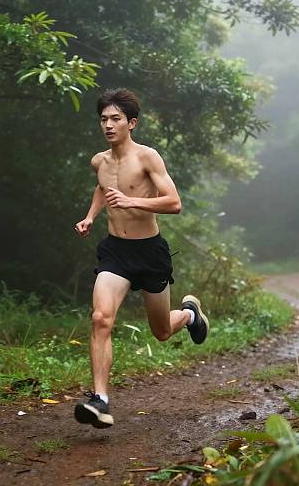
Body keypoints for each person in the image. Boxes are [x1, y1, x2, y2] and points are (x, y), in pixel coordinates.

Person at [73, 88, 209, 429]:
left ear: (131, 123)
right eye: (103, 119)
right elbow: (102, 188)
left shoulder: (148, 157)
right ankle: (100, 400)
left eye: (116, 119)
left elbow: (173, 203)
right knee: (101, 318)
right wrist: (91, 215)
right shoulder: (99, 161)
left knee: (161, 331)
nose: (108, 124)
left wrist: (133, 203)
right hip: (115, 252)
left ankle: (190, 315)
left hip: (149, 253)